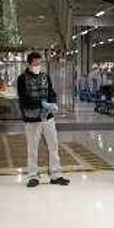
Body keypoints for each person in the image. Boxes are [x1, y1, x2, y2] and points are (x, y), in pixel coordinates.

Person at [18, 52, 68, 187]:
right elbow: (24, 100)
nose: (38, 66)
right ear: (29, 64)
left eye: (40, 63)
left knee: (53, 146)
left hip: (48, 118)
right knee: (33, 148)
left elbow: (51, 92)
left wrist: (53, 103)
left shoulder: (45, 76)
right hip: (32, 119)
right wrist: (42, 104)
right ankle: (33, 176)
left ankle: (56, 174)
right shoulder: (22, 79)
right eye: (35, 63)